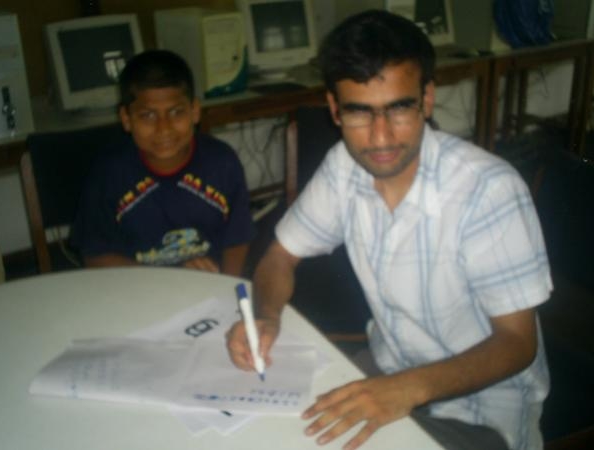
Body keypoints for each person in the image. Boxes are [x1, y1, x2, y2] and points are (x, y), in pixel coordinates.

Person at [227, 10, 552, 450]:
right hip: (388, 371)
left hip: (482, 411)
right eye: (359, 112)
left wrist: (406, 390)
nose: (380, 138)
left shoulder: (487, 190)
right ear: (334, 109)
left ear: (427, 99)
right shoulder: (344, 167)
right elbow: (280, 256)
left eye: (398, 108)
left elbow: (517, 343)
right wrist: (266, 316)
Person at [72, 50, 254, 276]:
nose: (164, 128)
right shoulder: (108, 172)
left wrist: (226, 284)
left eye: (176, 112)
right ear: (126, 119)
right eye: (148, 115)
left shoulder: (223, 162)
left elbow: (237, 239)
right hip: (135, 286)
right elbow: (95, 256)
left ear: (195, 111)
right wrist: (168, 280)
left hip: (209, 284)